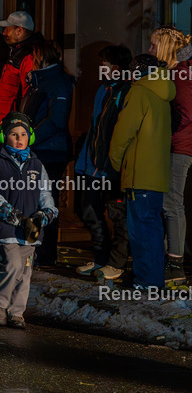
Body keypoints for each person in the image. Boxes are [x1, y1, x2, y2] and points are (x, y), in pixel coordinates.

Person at [0, 112, 58, 329]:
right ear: (4, 137)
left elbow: (45, 193)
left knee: (24, 272)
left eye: (23, 134)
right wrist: (5, 210)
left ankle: (16, 313)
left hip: (29, 229)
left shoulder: (37, 165)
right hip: (5, 225)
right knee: (12, 264)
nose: (19, 138)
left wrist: (47, 212)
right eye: (13, 134)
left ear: (30, 137)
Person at [110, 54, 175, 289]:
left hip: (139, 173)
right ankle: (152, 279)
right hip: (157, 174)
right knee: (153, 229)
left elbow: (124, 131)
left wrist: (115, 161)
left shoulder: (138, 92)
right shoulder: (163, 93)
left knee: (140, 230)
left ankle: (146, 281)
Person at [74, 45, 132, 280]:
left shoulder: (126, 91)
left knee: (118, 215)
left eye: (104, 65)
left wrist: (114, 163)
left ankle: (116, 263)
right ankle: (100, 258)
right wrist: (85, 161)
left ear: (116, 68)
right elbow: (95, 129)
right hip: (93, 165)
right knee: (88, 209)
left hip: (112, 167)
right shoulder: (103, 90)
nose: (100, 68)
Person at [21, 39, 75, 267]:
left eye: (33, 54)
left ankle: (44, 254)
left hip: (49, 151)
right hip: (39, 149)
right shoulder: (41, 80)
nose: (30, 60)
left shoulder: (56, 82)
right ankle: (36, 250)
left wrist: (26, 139)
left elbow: (56, 121)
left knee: (43, 203)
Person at [150, 26, 191, 282]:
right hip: (177, 144)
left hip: (178, 146)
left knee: (172, 203)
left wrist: (167, 134)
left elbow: (186, 114)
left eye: (154, 45)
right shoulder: (174, 73)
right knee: (170, 203)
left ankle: (175, 264)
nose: (150, 50)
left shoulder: (179, 74)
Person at [0, 11, 44, 125]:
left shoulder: (28, 57)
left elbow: (30, 95)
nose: (4, 33)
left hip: (17, 124)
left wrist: (21, 124)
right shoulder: (16, 53)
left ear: (19, 30)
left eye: (7, 29)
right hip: (10, 123)